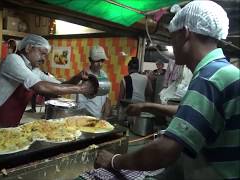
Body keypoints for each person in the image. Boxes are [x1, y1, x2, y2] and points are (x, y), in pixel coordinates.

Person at [94, 1, 240, 179]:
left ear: (186, 33)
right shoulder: (225, 72)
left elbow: (165, 151)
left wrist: (114, 160)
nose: (172, 46)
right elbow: (196, 114)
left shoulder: (209, 78)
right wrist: (148, 106)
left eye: (172, 38)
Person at [0, 34, 94, 129]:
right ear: (28, 48)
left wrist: (78, 77)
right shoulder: (13, 60)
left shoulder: (34, 70)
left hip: (10, 125)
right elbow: (40, 86)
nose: (43, 59)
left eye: (45, 55)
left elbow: (59, 86)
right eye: (42, 53)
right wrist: (82, 89)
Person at [77, 45, 111, 118]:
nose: (100, 64)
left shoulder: (104, 75)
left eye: (102, 60)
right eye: (97, 61)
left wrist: (105, 115)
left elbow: (106, 97)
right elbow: (80, 105)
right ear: (90, 60)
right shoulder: (85, 76)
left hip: (99, 117)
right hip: (87, 117)